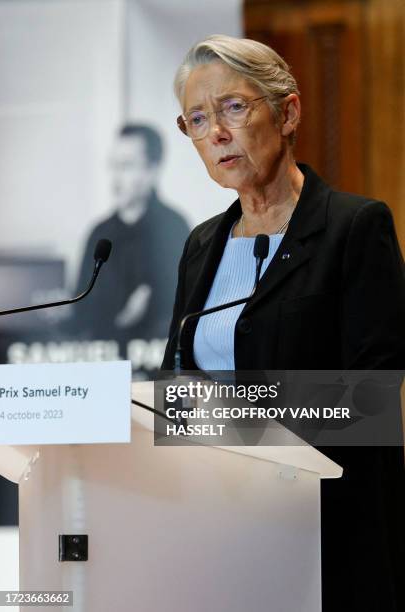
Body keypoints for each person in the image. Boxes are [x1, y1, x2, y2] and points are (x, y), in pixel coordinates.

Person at [161, 35, 405, 611]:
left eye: (234, 108)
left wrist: (233, 419)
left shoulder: (354, 228)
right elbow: (177, 390)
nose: (216, 132)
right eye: (197, 118)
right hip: (220, 525)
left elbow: (373, 399)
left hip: (329, 531)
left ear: (288, 111)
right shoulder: (201, 246)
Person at [69, 123, 190, 355]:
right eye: (113, 166)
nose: (116, 178)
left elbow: (187, 309)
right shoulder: (99, 232)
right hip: (104, 360)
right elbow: (81, 311)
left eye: (126, 166)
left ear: (152, 170)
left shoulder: (175, 227)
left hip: (159, 364)